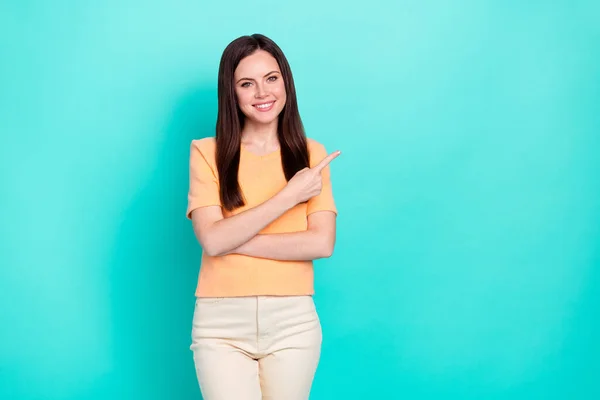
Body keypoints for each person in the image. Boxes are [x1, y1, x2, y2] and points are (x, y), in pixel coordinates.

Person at [186, 33, 340, 400]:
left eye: (271, 78)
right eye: (246, 83)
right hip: (220, 323)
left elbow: (321, 242)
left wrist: (233, 239)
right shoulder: (206, 152)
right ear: (231, 92)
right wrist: (289, 197)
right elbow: (211, 240)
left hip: (293, 320)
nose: (262, 92)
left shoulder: (311, 154)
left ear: (285, 81)